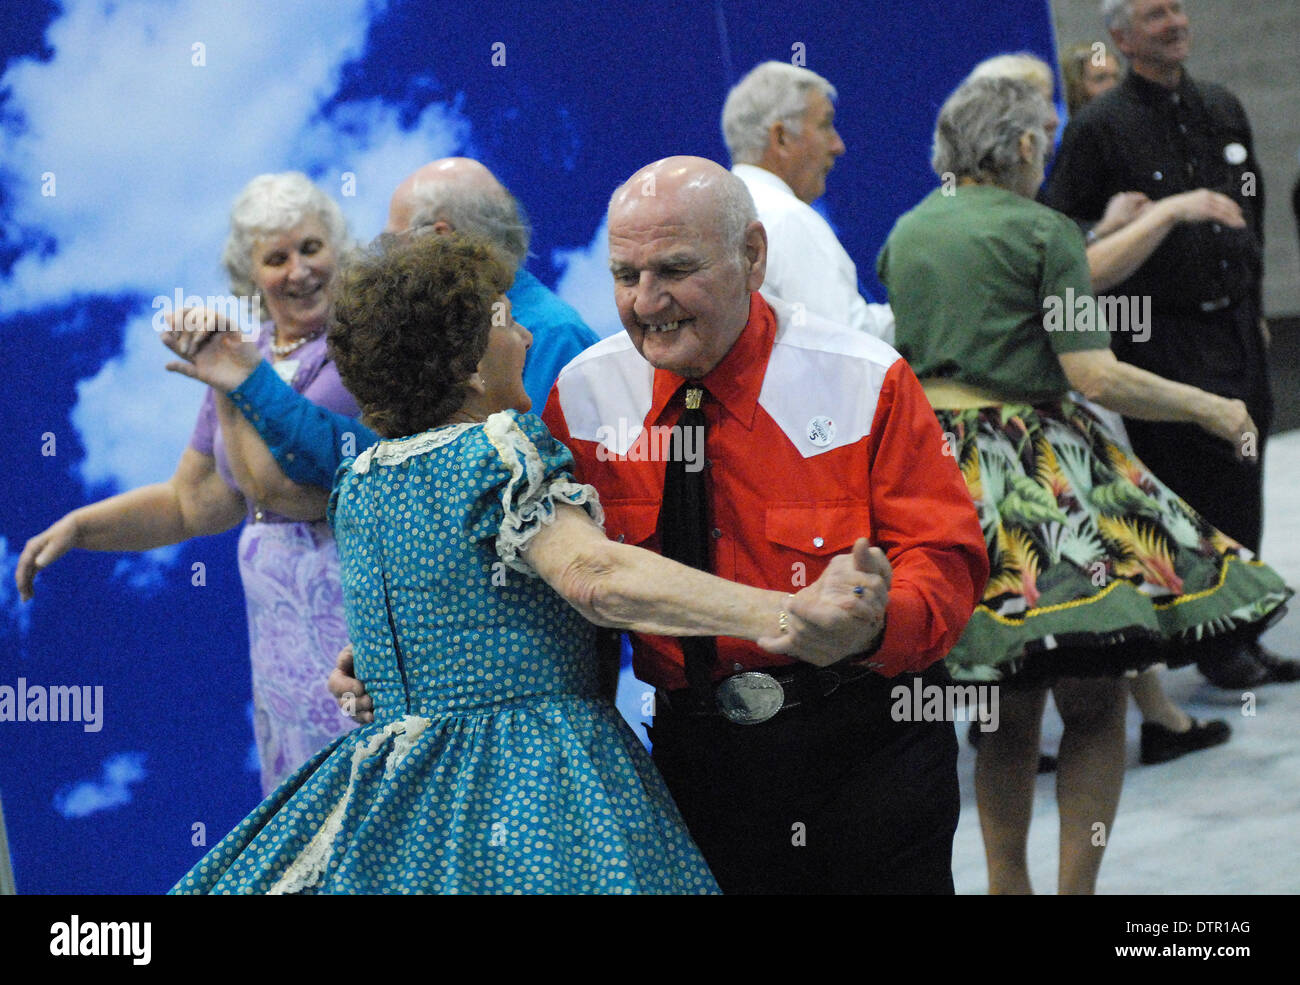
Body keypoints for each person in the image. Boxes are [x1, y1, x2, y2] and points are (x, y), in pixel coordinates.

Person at [177, 156, 990, 894]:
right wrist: (418, 650)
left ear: (752, 255)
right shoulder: (580, 398)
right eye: (625, 274)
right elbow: (583, 580)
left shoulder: (862, 378)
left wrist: (871, 623)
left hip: (862, 747)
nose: (644, 300)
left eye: (674, 270)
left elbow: (946, 561)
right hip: (695, 762)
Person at [876, 75, 1291, 894]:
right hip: (1038, 476)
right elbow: (1094, 373)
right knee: (1095, 701)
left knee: (1004, 707)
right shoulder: (1041, 231)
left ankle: (1006, 886)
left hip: (938, 472)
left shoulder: (908, 232)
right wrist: (1213, 406)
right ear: (1026, 144)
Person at [15, 172, 359, 794]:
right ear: (250, 274)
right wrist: (80, 526)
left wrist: (230, 381)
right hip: (278, 649)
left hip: (353, 631)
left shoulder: (360, 351)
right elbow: (193, 504)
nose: (299, 270)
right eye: (276, 258)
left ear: (338, 247)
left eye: (311, 247)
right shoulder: (239, 351)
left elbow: (287, 492)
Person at [980, 50, 1243, 764]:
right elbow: (1090, 351)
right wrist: (1209, 407)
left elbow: (1067, 271)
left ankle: (1146, 714)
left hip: (1036, 422)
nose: (1053, 122)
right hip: (1040, 426)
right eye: (1040, 109)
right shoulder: (1010, 215)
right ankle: (1121, 718)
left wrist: (1109, 229)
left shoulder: (976, 215)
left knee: (1102, 576)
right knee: (1096, 577)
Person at [1042, 0, 1298, 687]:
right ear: (1121, 37)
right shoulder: (1100, 127)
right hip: (1163, 333)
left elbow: (1254, 203)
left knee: (1245, 470)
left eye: (1179, 9)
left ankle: (1243, 626)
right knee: (1191, 482)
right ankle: (1209, 640)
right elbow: (1059, 228)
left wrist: (1257, 297)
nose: (1176, 22)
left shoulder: (1222, 105)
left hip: (1236, 323)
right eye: (1156, 15)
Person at [384, 157, 599, 413]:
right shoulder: (445, 326)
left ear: (440, 240)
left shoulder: (555, 336)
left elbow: (535, 451)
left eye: (394, 242)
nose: (389, 258)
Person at [721, 61, 895, 342]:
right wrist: (924, 315)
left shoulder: (714, 212)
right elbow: (848, 345)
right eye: (825, 125)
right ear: (781, 138)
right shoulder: (786, 218)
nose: (838, 145)